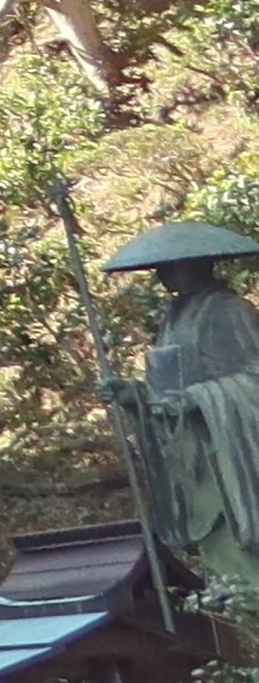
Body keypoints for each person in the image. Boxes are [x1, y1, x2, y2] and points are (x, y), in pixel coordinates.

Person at [109, 221, 259, 600]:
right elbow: (166, 397)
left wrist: (200, 397)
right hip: (194, 464)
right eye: (160, 269)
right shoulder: (174, 318)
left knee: (242, 565)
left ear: (199, 264)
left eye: (171, 266)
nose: (163, 276)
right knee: (221, 569)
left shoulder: (229, 310)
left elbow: (254, 378)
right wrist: (135, 396)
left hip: (229, 458)